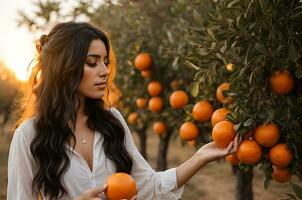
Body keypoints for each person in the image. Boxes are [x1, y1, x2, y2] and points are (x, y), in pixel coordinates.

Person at [7, 21, 240, 200]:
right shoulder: (29, 135)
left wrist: (200, 157)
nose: (104, 71)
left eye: (105, 62)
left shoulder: (111, 121)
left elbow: (149, 186)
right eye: (92, 62)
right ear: (65, 68)